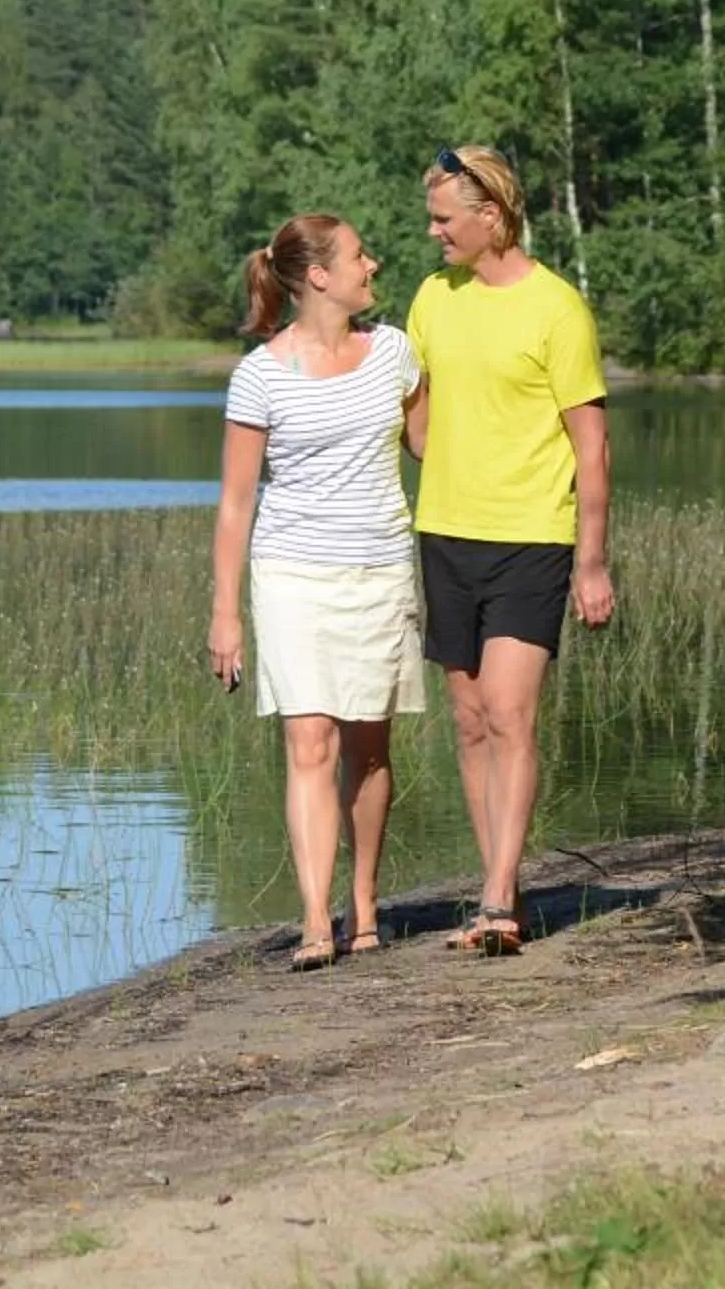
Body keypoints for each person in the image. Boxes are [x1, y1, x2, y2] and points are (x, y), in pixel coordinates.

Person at [402, 144, 614, 957]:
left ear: (491, 216)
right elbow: (416, 416)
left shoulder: (558, 309)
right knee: (468, 720)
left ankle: (494, 902)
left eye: (444, 220)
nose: (434, 233)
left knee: (509, 711)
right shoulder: (434, 297)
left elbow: (591, 446)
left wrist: (591, 561)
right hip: (446, 531)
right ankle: (504, 887)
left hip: (532, 536)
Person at [208, 215, 426, 971]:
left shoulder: (394, 351)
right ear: (320, 277)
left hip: (380, 570)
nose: (375, 263)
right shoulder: (260, 376)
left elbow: (430, 445)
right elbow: (236, 503)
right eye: (361, 255)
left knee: (368, 746)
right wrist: (225, 615)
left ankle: (363, 904)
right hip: (293, 575)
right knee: (309, 742)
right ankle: (313, 920)